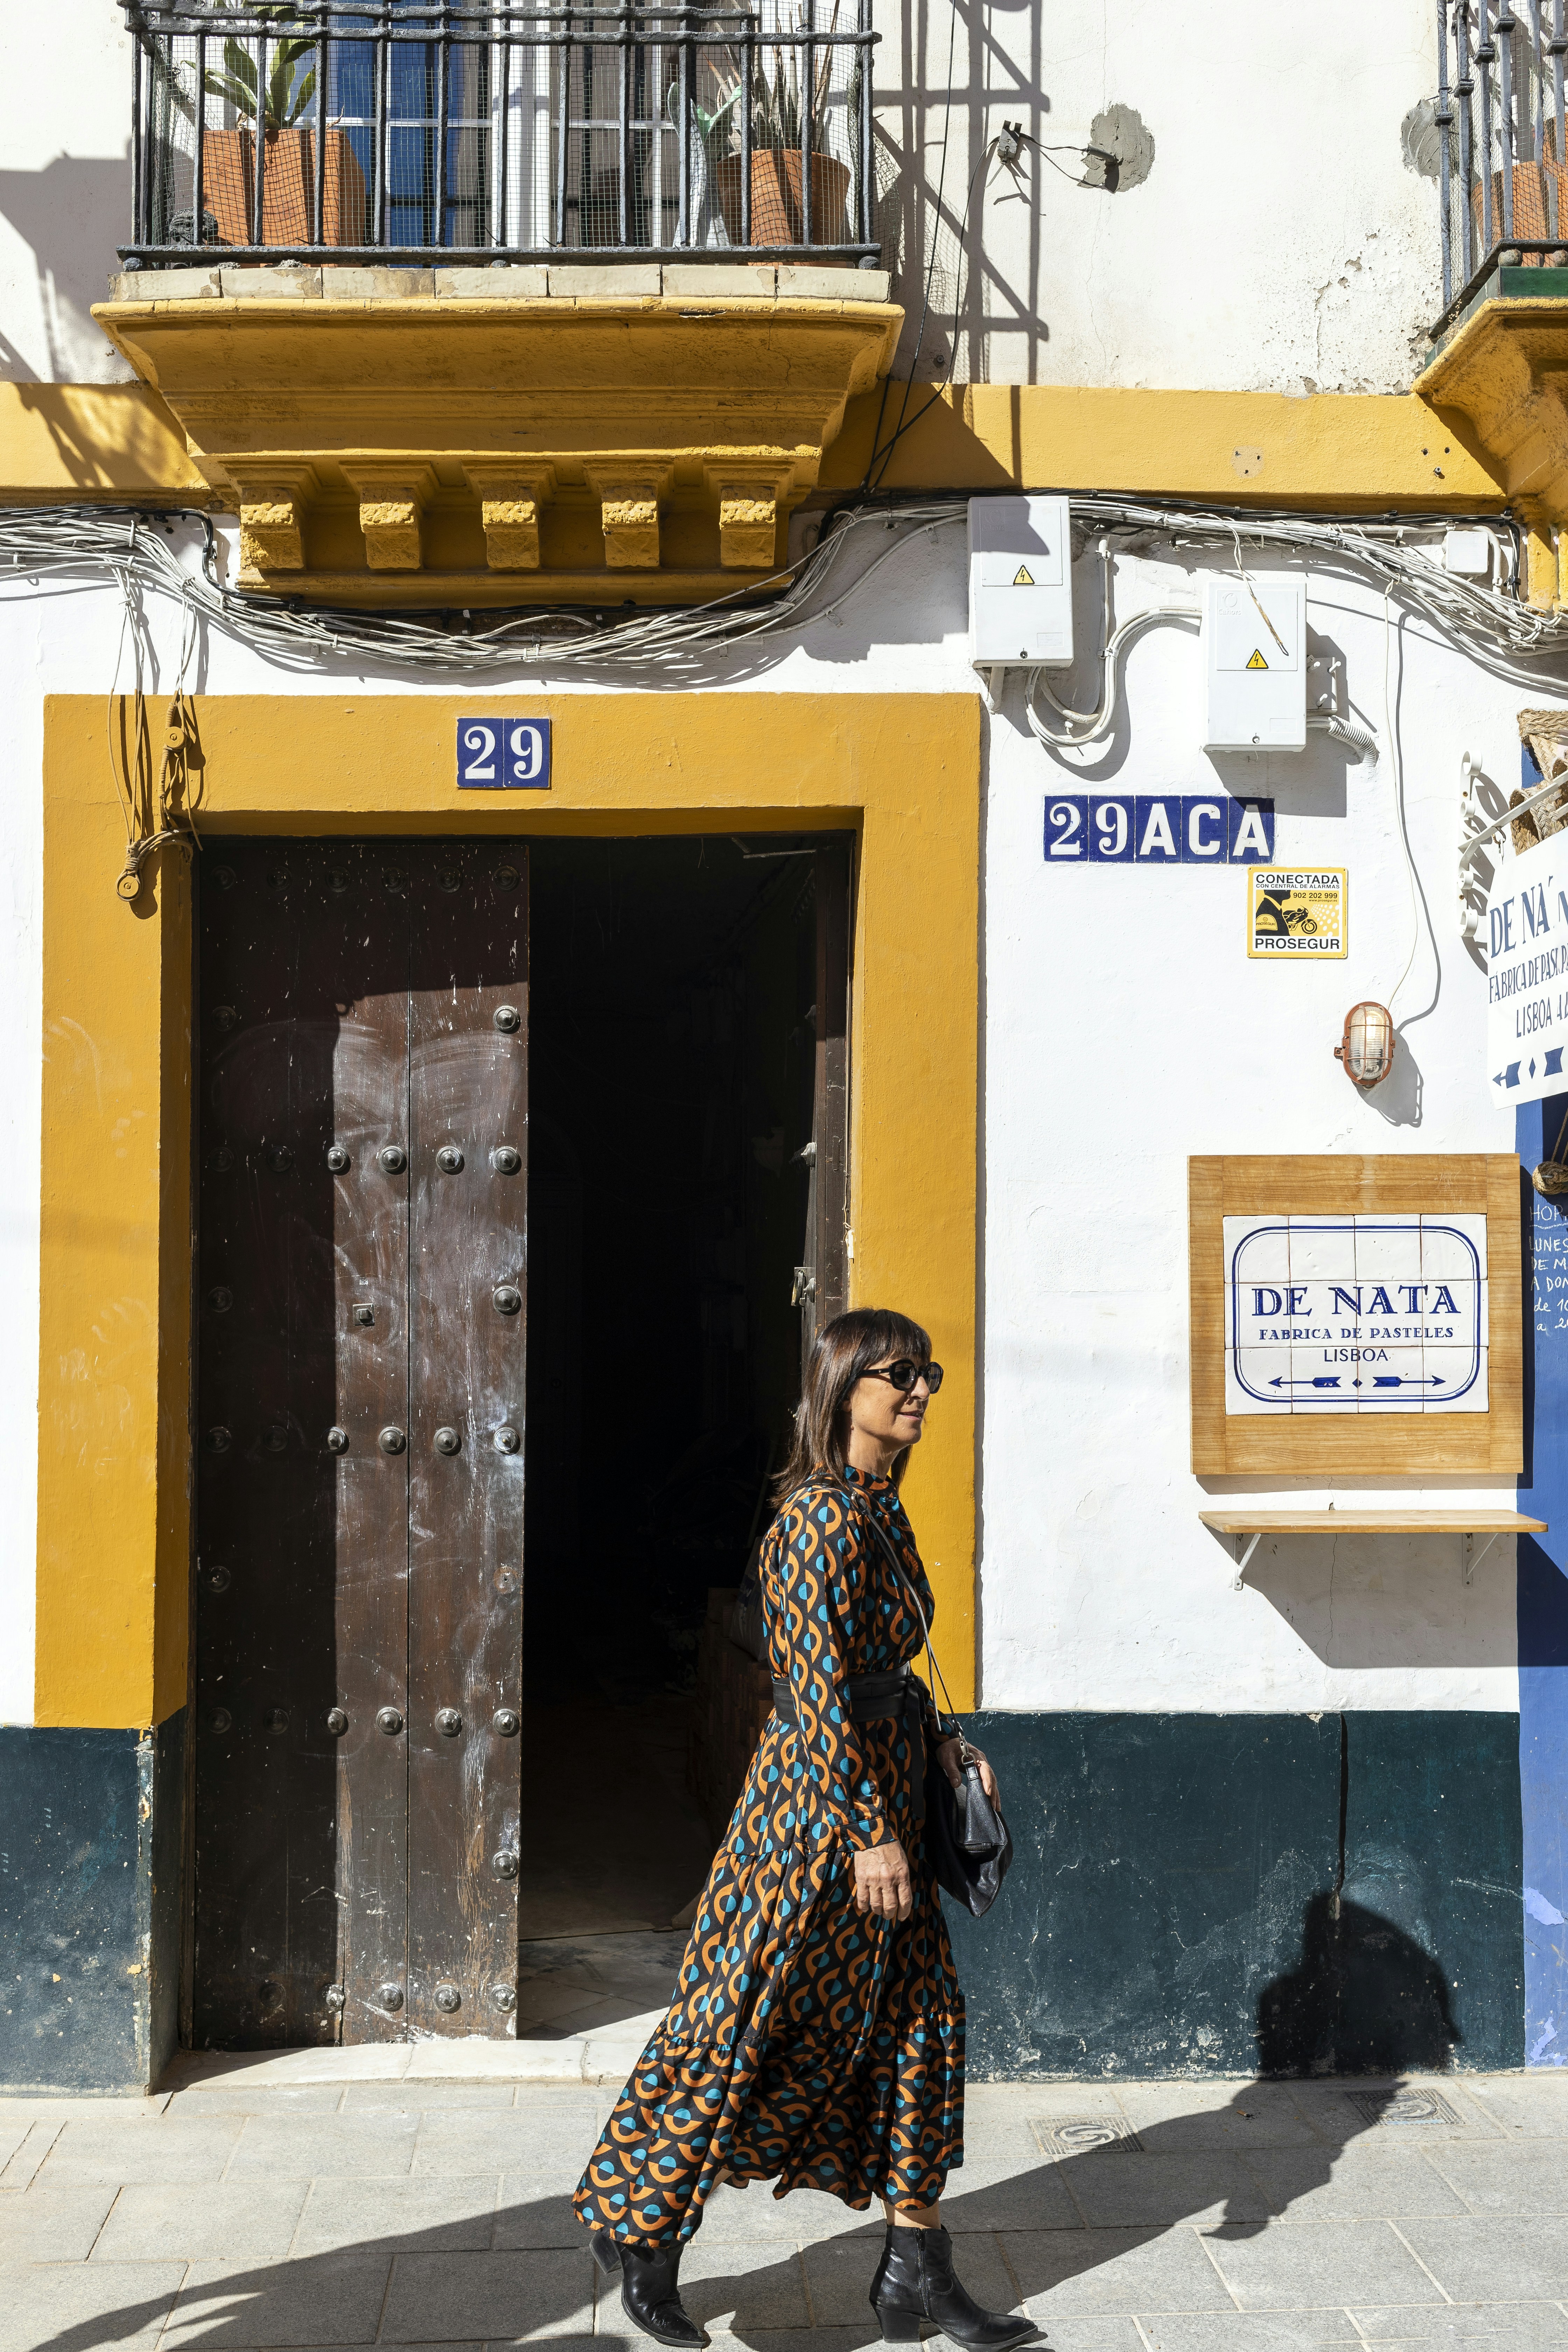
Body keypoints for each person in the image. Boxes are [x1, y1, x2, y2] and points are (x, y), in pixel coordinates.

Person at [573, 1307, 1036, 2352]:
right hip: (807, 1822)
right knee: (730, 2021)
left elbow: (885, 1673)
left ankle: (918, 2267)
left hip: (883, 1795)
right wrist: (872, 1832)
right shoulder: (817, 1519)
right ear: (842, 1392)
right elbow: (815, 1695)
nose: (920, 1391)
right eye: (898, 1375)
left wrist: (943, 1748)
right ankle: (640, 2230)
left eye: (929, 1374)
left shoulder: (882, 1509)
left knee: (925, 2024)